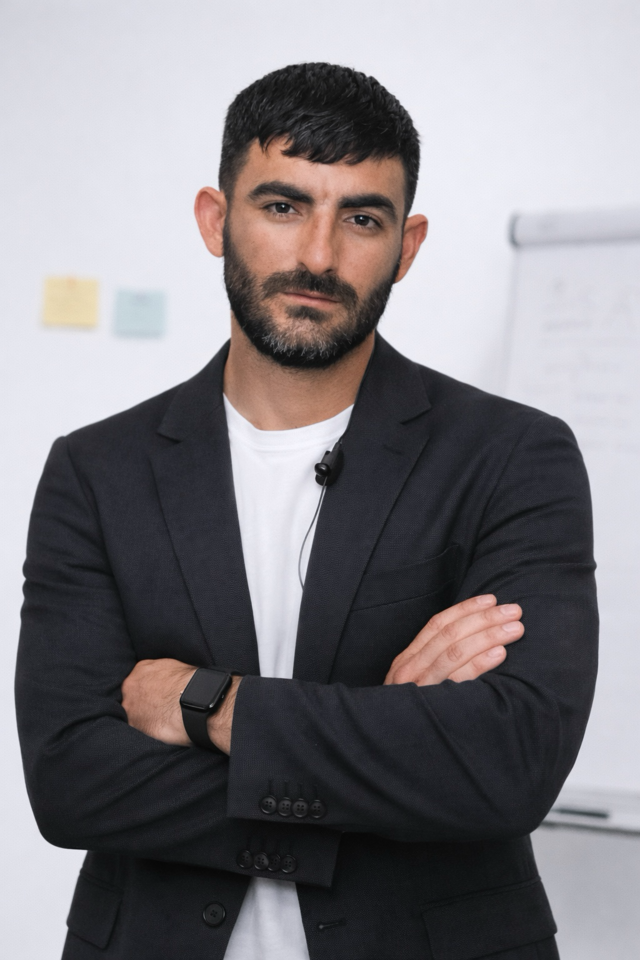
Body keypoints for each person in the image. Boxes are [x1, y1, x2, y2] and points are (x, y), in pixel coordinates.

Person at [16, 63, 598, 960]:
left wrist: (209, 707)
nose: (319, 257)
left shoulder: (513, 457)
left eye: (362, 218)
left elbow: (507, 765)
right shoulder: (97, 472)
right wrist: (386, 743)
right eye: (283, 206)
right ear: (216, 220)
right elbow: (72, 782)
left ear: (407, 245)